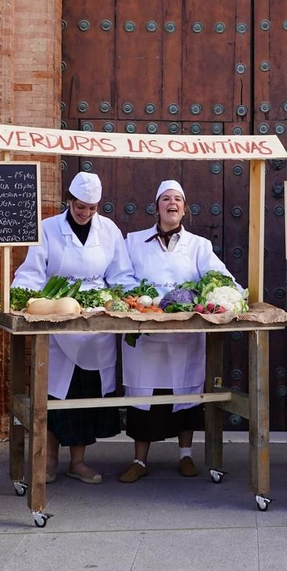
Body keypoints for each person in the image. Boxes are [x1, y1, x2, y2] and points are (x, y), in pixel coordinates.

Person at [12, 171, 134, 484]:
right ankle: (49, 459)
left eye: (92, 208)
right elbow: (32, 272)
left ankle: (78, 462)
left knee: (85, 390)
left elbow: (121, 274)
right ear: (69, 200)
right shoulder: (48, 228)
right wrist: (22, 297)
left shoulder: (109, 231)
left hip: (94, 323)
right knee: (55, 392)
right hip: (58, 318)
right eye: (80, 206)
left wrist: (124, 299)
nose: (85, 213)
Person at [116, 180, 240, 483]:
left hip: (185, 334)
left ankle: (186, 454)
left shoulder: (199, 245)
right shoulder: (133, 241)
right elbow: (119, 276)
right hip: (145, 332)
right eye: (166, 199)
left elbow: (220, 276)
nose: (172, 204)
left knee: (186, 392)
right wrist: (145, 299)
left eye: (178, 200)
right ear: (156, 206)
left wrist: (232, 295)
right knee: (143, 394)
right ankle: (139, 459)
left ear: (184, 209)